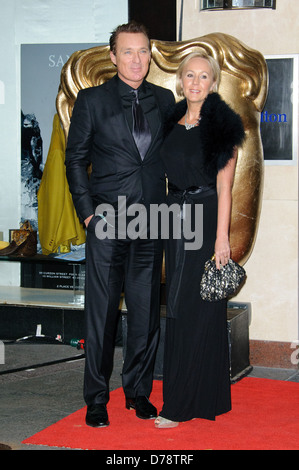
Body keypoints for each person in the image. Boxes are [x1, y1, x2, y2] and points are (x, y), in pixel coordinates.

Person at [65, 21, 175, 428]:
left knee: (146, 314)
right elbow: (75, 159)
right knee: (102, 315)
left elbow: (176, 158)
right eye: (128, 52)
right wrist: (88, 213)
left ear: (151, 55)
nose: (137, 59)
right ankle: (96, 398)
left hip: (151, 220)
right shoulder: (92, 101)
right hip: (107, 220)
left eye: (143, 51)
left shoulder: (164, 101)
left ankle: (138, 392)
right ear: (112, 57)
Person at [155, 51, 245, 428]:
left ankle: (178, 405)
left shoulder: (223, 127)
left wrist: (221, 239)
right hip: (174, 219)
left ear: (213, 82)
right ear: (180, 80)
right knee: (177, 305)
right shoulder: (170, 121)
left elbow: (226, 189)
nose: (195, 82)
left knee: (193, 306)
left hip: (205, 220)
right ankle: (206, 395)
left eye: (203, 76)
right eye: (189, 75)